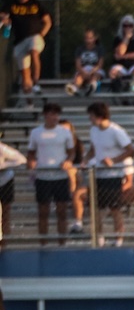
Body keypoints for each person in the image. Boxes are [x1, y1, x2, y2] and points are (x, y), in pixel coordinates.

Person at [28, 103, 78, 245]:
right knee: (43, 212)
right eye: (52, 114)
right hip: (43, 177)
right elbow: (31, 153)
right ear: (45, 115)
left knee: (61, 212)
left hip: (60, 176)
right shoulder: (36, 133)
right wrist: (31, 162)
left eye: (57, 114)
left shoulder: (65, 132)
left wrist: (68, 161)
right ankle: (43, 243)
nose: (55, 117)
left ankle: (62, 243)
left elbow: (72, 152)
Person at [86, 102, 134, 247]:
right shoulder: (93, 130)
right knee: (97, 210)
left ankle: (118, 238)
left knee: (115, 209)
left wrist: (114, 160)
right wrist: (84, 160)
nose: (90, 119)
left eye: (92, 116)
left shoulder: (116, 131)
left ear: (100, 116)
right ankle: (99, 238)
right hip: (98, 175)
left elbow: (131, 150)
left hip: (114, 175)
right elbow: (93, 149)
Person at [5, 0, 51, 97]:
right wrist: (5, 19)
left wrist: (42, 34)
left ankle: (36, 82)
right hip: (19, 41)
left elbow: (47, 21)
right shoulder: (11, 4)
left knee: (34, 52)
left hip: (34, 36)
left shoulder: (36, 4)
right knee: (25, 75)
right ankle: (29, 104)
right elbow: (3, 15)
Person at [108, 15, 134, 103]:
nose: (128, 28)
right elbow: (119, 52)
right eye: (125, 26)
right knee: (114, 72)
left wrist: (123, 56)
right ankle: (123, 99)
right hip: (122, 65)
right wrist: (126, 38)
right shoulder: (118, 39)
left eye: (130, 25)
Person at [66, 29, 106, 96]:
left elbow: (100, 64)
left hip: (95, 69)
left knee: (95, 76)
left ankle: (92, 87)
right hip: (83, 69)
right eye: (86, 38)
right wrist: (83, 72)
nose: (88, 40)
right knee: (79, 77)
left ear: (95, 38)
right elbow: (78, 65)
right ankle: (75, 89)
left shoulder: (99, 49)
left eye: (90, 38)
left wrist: (91, 72)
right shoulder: (80, 49)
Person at [0, 142, 24, 237]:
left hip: (5, 181)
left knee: (5, 214)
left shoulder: (3, 148)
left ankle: (4, 243)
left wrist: (3, 165)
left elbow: (21, 159)